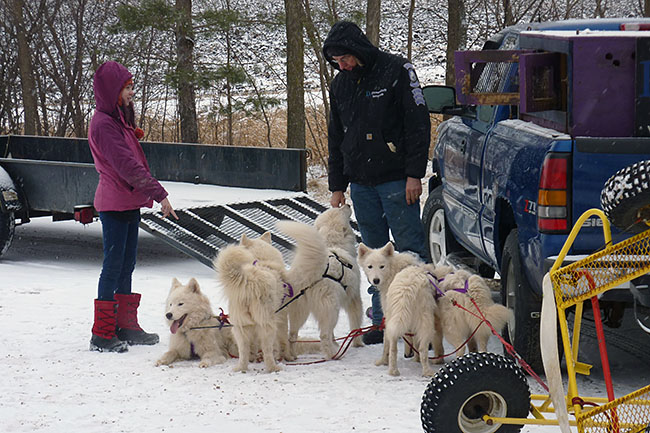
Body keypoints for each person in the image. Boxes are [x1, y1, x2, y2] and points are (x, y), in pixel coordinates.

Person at [322, 21, 431, 345]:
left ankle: (419, 320)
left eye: (344, 59)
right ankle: (382, 323)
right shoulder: (340, 85)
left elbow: (418, 123)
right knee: (373, 259)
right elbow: (335, 135)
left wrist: (415, 173)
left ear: (358, 50)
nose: (341, 66)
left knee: (410, 251)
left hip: (397, 179)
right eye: (336, 61)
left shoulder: (396, 70)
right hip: (361, 183)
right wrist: (337, 185)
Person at [88, 61, 178, 353]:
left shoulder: (118, 120)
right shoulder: (103, 124)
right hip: (114, 204)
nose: (131, 94)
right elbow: (128, 166)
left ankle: (125, 325)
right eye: (127, 88)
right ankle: (102, 333)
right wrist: (160, 194)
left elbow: (132, 157)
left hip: (128, 202)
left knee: (126, 265)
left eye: (132, 88)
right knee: (112, 266)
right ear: (113, 91)